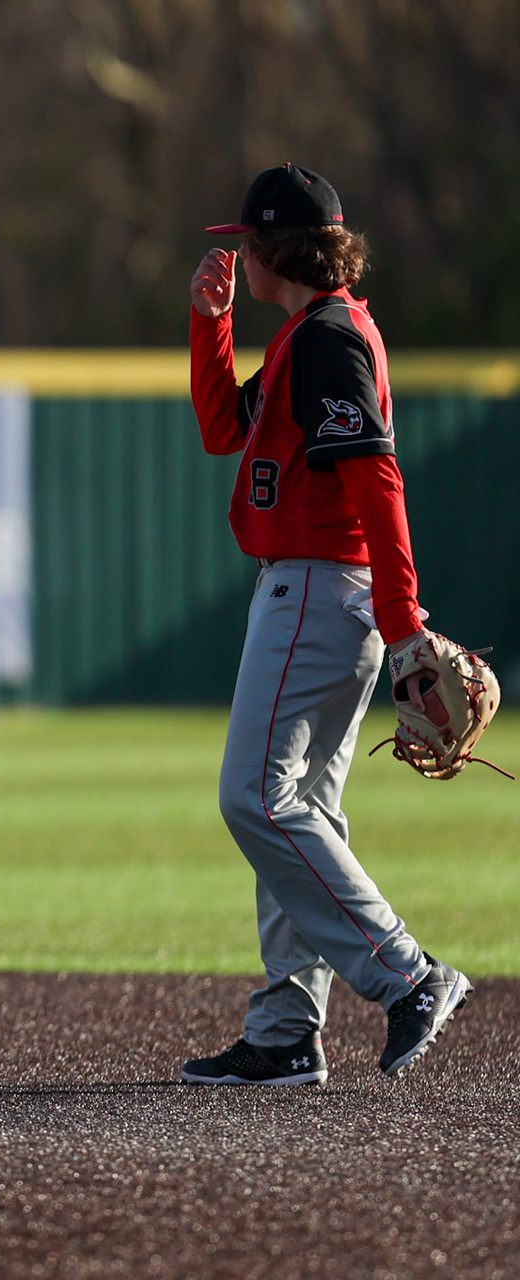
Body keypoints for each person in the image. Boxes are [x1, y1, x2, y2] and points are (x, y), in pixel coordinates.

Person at [182, 164, 471, 1086]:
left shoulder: (330, 337)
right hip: (312, 586)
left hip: (318, 588)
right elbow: (225, 428)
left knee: (255, 800)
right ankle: (284, 1028)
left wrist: (404, 623)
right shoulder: (310, 335)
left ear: (277, 248)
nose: (237, 252)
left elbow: (376, 480)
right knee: (298, 808)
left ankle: (407, 974)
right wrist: (210, 325)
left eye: (246, 242)